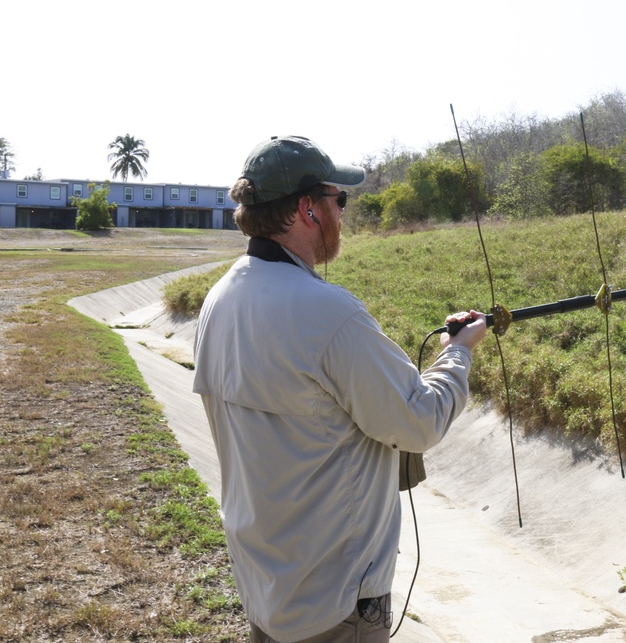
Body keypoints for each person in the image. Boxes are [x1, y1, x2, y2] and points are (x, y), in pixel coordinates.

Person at [192, 135, 487, 642]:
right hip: (335, 602)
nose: (343, 214)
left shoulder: (219, 300)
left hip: (265, 586)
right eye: (339, 200)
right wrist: (459, 351)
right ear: (308, 209)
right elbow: (419, 421)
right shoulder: (328, 313)